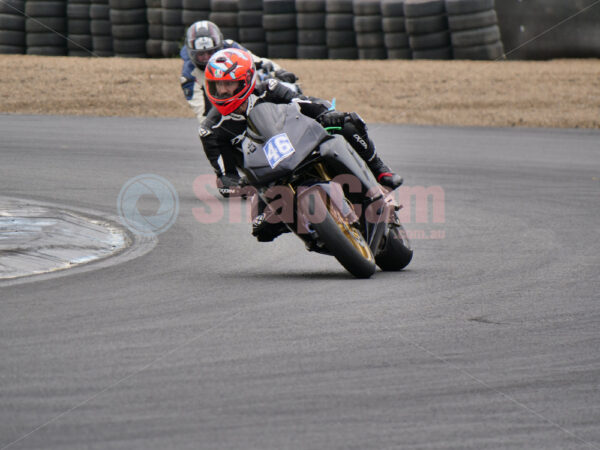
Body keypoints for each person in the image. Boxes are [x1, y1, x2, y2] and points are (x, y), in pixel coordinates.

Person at [200, 48, 403, 241]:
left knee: (348, 124)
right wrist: (233, 185)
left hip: (301, 145)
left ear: (246, 81)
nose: (223, 91)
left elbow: (304, 102)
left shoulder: (269, 89)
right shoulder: (212, 130)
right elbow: (225, 174)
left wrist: (326, 113)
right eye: (217, 85)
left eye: (229, 84)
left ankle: (380, 171)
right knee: (261, 229)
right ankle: (317, 235)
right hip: (267, 177)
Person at [179, 21, 297, 192]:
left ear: (219, 46)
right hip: (225, 106)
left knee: (289, 94)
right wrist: (223, 122)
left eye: (210, 52)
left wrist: (279, 71)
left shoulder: (230, 47)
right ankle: (227, 174)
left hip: (250, 92)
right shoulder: (188, 76)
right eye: (201, 55)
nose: (206, 58)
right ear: (191, 54)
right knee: (211, 132)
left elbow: (256, 61)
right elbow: (202, 112)